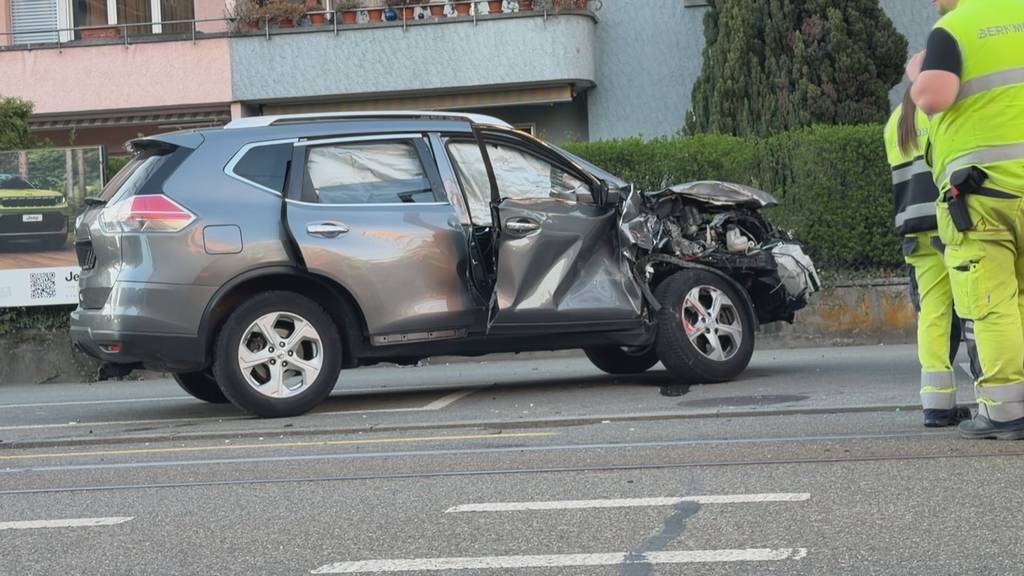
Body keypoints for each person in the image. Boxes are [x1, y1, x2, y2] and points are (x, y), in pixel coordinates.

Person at [908, 0, 1024, 439]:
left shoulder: (955, 29)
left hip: (984, 197)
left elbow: (933, 95)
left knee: (993, 304)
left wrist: (918, 75)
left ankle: (1005, 410)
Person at [884, 88, 975, 427]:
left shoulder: (897, 122)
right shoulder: (942, 113)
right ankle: (994, 399)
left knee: (933, 315)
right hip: (951, 223)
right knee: (976, 310)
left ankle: (937, 406)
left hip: (914, 229)